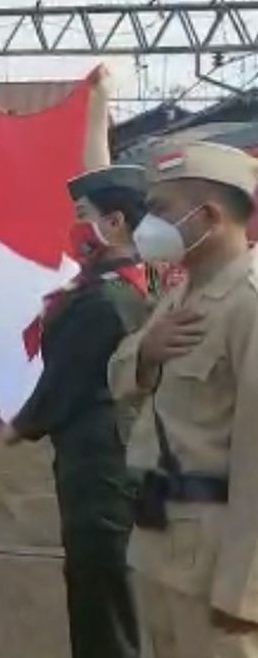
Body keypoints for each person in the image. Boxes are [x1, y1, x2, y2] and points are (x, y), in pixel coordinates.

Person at [107, 141, 258, 658]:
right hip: (160, 542)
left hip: (217, 564)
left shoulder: (249, 304)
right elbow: (121, 375)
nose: (146, 224)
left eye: (160, 210)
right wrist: (146, 351)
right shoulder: (182, 292)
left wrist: (244, 592)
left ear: (210, 216)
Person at [6, 165, 151, 658]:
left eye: (81, 216)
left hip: (100, 462)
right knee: (96, 586)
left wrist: (23, 423)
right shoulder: (111, 283)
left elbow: (65, 378)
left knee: (99, 590)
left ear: (113, 224)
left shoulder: (107, 299)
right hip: (99, 454)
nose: (74, 226)